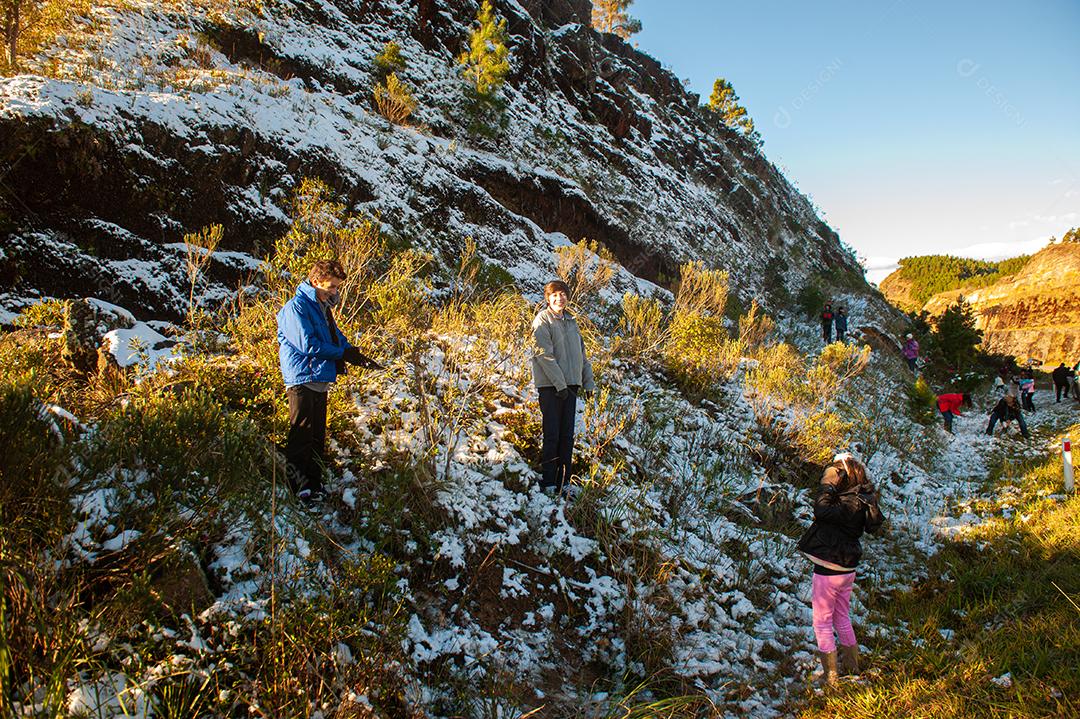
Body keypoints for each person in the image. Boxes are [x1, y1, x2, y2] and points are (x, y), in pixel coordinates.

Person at [277, 260, 381, 502]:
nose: (335, 292)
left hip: (319, 378)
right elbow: (307, 344)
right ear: (315, 282)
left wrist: (353, 353)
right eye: (331, 287)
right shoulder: (296, 308)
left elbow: (334, 337)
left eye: (337, 287)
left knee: (316, 437)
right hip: (302, 379)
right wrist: (341, 354)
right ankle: (297, 488)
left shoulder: (321, 307)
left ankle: (314, 483)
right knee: (300, 436)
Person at [797, 453, 884, 685]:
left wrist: (827, 485)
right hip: (847, 566)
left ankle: (831, 675)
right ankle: (852, 666)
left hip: (830, 564)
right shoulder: (861, 497)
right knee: (841, 615)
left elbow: (821, 510)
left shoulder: (847, 501)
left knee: (822, 620)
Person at [531, 280, 595, 496]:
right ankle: (549, 482)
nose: (560, 298)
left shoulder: (571, 321)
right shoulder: (543, 320)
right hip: (551, 386)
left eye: (563, 294)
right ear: (548, 298)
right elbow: (543, 355)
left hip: (571, 386)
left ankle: (564, 482)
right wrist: (559, 385)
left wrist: (588, 382)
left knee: (567, 435)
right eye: (555, 295)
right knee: (552, 434)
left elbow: (581, 355)